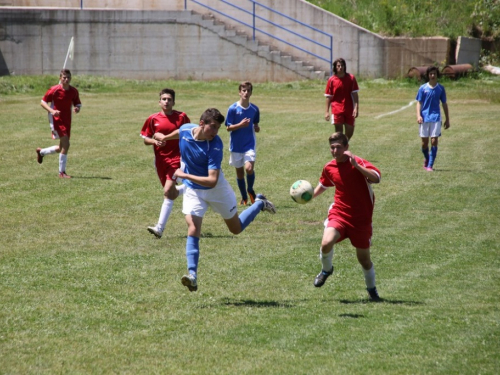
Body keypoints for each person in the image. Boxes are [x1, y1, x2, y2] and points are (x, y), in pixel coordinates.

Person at [174, 108, 276, 292]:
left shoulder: (215, 145)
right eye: (212, 127)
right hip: (194, 191)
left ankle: (260, 203)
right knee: (193, 227)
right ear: (201, 123)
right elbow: (179, 132)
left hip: (216, 190)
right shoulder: (186, 130)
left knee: (235, 229)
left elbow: (212, 181)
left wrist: (184, 175)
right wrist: (162, 138)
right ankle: (192, 275)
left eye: (218, 128)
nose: (215, 131)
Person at [310, 132, 381, 301]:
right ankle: (326, 270)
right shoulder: (329, 167)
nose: (335, 151)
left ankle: (372, 290)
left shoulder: (358, 162)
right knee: (326, 243)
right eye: (332, 148)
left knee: (364, 260)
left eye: (339, 147)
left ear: (346, 147)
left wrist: (357, 165)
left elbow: (376, 178)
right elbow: (324, 184)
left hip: (361, 220)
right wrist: (309, 196)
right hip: (340, 214)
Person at [140, 88, 191, 239]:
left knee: (168, 190)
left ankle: (159, 228)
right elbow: (145, 139)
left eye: (169, 99)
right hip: (161, 161)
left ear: (174, 102)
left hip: (177, 159)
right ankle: (189, 188)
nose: (166, 101)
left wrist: (166, 138)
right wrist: (155, 141)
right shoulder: (153, 119)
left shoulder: (181, 117)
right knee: (172, 192)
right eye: (164, 99)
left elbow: (187, 133)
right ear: (159, 101)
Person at [36, 69, 82, 178]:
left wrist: (77, 108)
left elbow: (78, 103)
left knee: (61, 147)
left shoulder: (73, 91)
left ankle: (41, 152)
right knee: (66, 144)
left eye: (68, 77)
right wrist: (52, 111)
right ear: (60, 78)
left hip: (67, 120)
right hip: (56, 119)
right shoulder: (54, 90)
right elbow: (42, 102)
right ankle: (62, 172)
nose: (66, 79)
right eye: (64, 77)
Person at [225, 81, 260, 206]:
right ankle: (244, 197)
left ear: (251, 93)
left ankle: (250, 190)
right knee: (240, 173)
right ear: (239, 92)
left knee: (249, 168)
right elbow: (228, 127)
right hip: (236, 146)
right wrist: (240, 125)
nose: (246, 93)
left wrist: (256, 127)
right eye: (243, 90)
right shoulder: (233, 109)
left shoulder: (254, 109)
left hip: (249, 144)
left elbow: (256, 123)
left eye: (248, 91)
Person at [416, 66, 450, 171]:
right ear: (428, 75)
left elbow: (444, 104)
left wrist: (447, 119)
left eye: (434, 74)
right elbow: (419, 102)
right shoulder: (423, 88)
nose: (432, 75)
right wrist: (418, 115)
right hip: (425, 118)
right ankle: (427, 159)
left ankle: (430, 165)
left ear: (437, 75)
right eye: (431, 74)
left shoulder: (440, 88)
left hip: (436, 118)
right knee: (424, 143)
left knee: (434, 140)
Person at [324, 58, 359, 140]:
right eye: (338, 66)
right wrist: (326, 112)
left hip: (349, 108)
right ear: (335, 67)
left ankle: (345, 144)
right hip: (337, 108)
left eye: (342, 66)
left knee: (350, 131)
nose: (340, 67)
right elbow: (328, 96)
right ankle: (341, 149)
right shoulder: (331, 80)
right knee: (339, 132)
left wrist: (356, 108)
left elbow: (355, 94)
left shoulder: (351, 78)